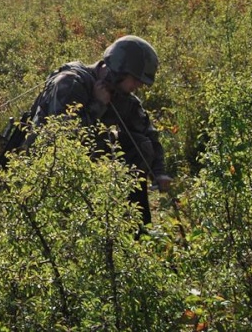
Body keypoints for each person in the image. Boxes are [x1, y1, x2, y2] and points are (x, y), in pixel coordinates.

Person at [27, 35, 173, 229]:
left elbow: (147, 133)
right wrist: (97, 105)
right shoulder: (71, 83)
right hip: (48, 162)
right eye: (136, 79)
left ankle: (136, 230)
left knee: (140, 145)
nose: (138, 86)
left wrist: (159, 172)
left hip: (85, 160)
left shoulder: (121, 93)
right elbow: (62, 138)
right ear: (120, 70)